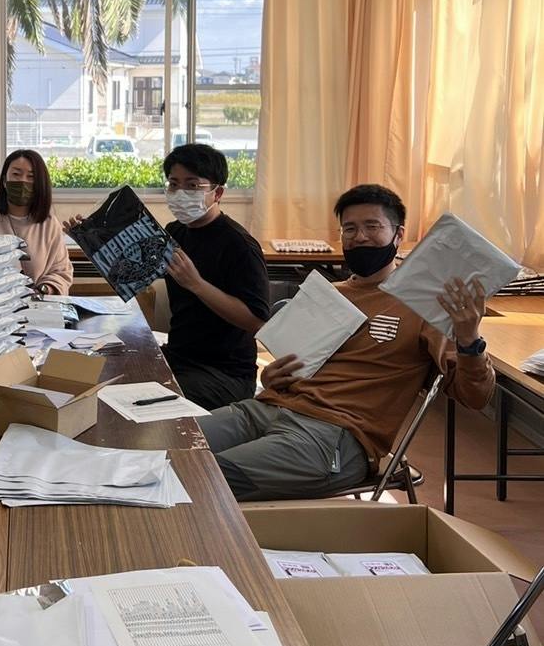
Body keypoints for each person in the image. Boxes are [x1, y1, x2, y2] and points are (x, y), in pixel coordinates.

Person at [199, 184, 495, 502]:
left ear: (398, 234)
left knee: (198, 477)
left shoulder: (424, 306)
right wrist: (272, 376)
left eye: (372, 226)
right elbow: (292, 366)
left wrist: (469, 340)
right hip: (265, 410)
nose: (360, 237)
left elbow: (475, 396)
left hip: (333, 435)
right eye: (350, 228)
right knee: (167, 441)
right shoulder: (328, 294)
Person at [160, 143, 270, 409]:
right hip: (179, 356)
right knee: (116, 375)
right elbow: (131, 275)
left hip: (225, 373)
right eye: (173, 184)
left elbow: (257, 322)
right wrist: (92, 238)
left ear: (217, 192)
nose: (180, 193)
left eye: (192, 186)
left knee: (151, 403)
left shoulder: (239, 245)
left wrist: (197, 284)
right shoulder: (174, 232)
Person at [0, 149, 73, 296]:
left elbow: (60, 271)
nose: (23, 181)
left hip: (37, 304)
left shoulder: (49, 223)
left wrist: (43, 290)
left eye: (31, 176)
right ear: (4, 181)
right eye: (16, 174)